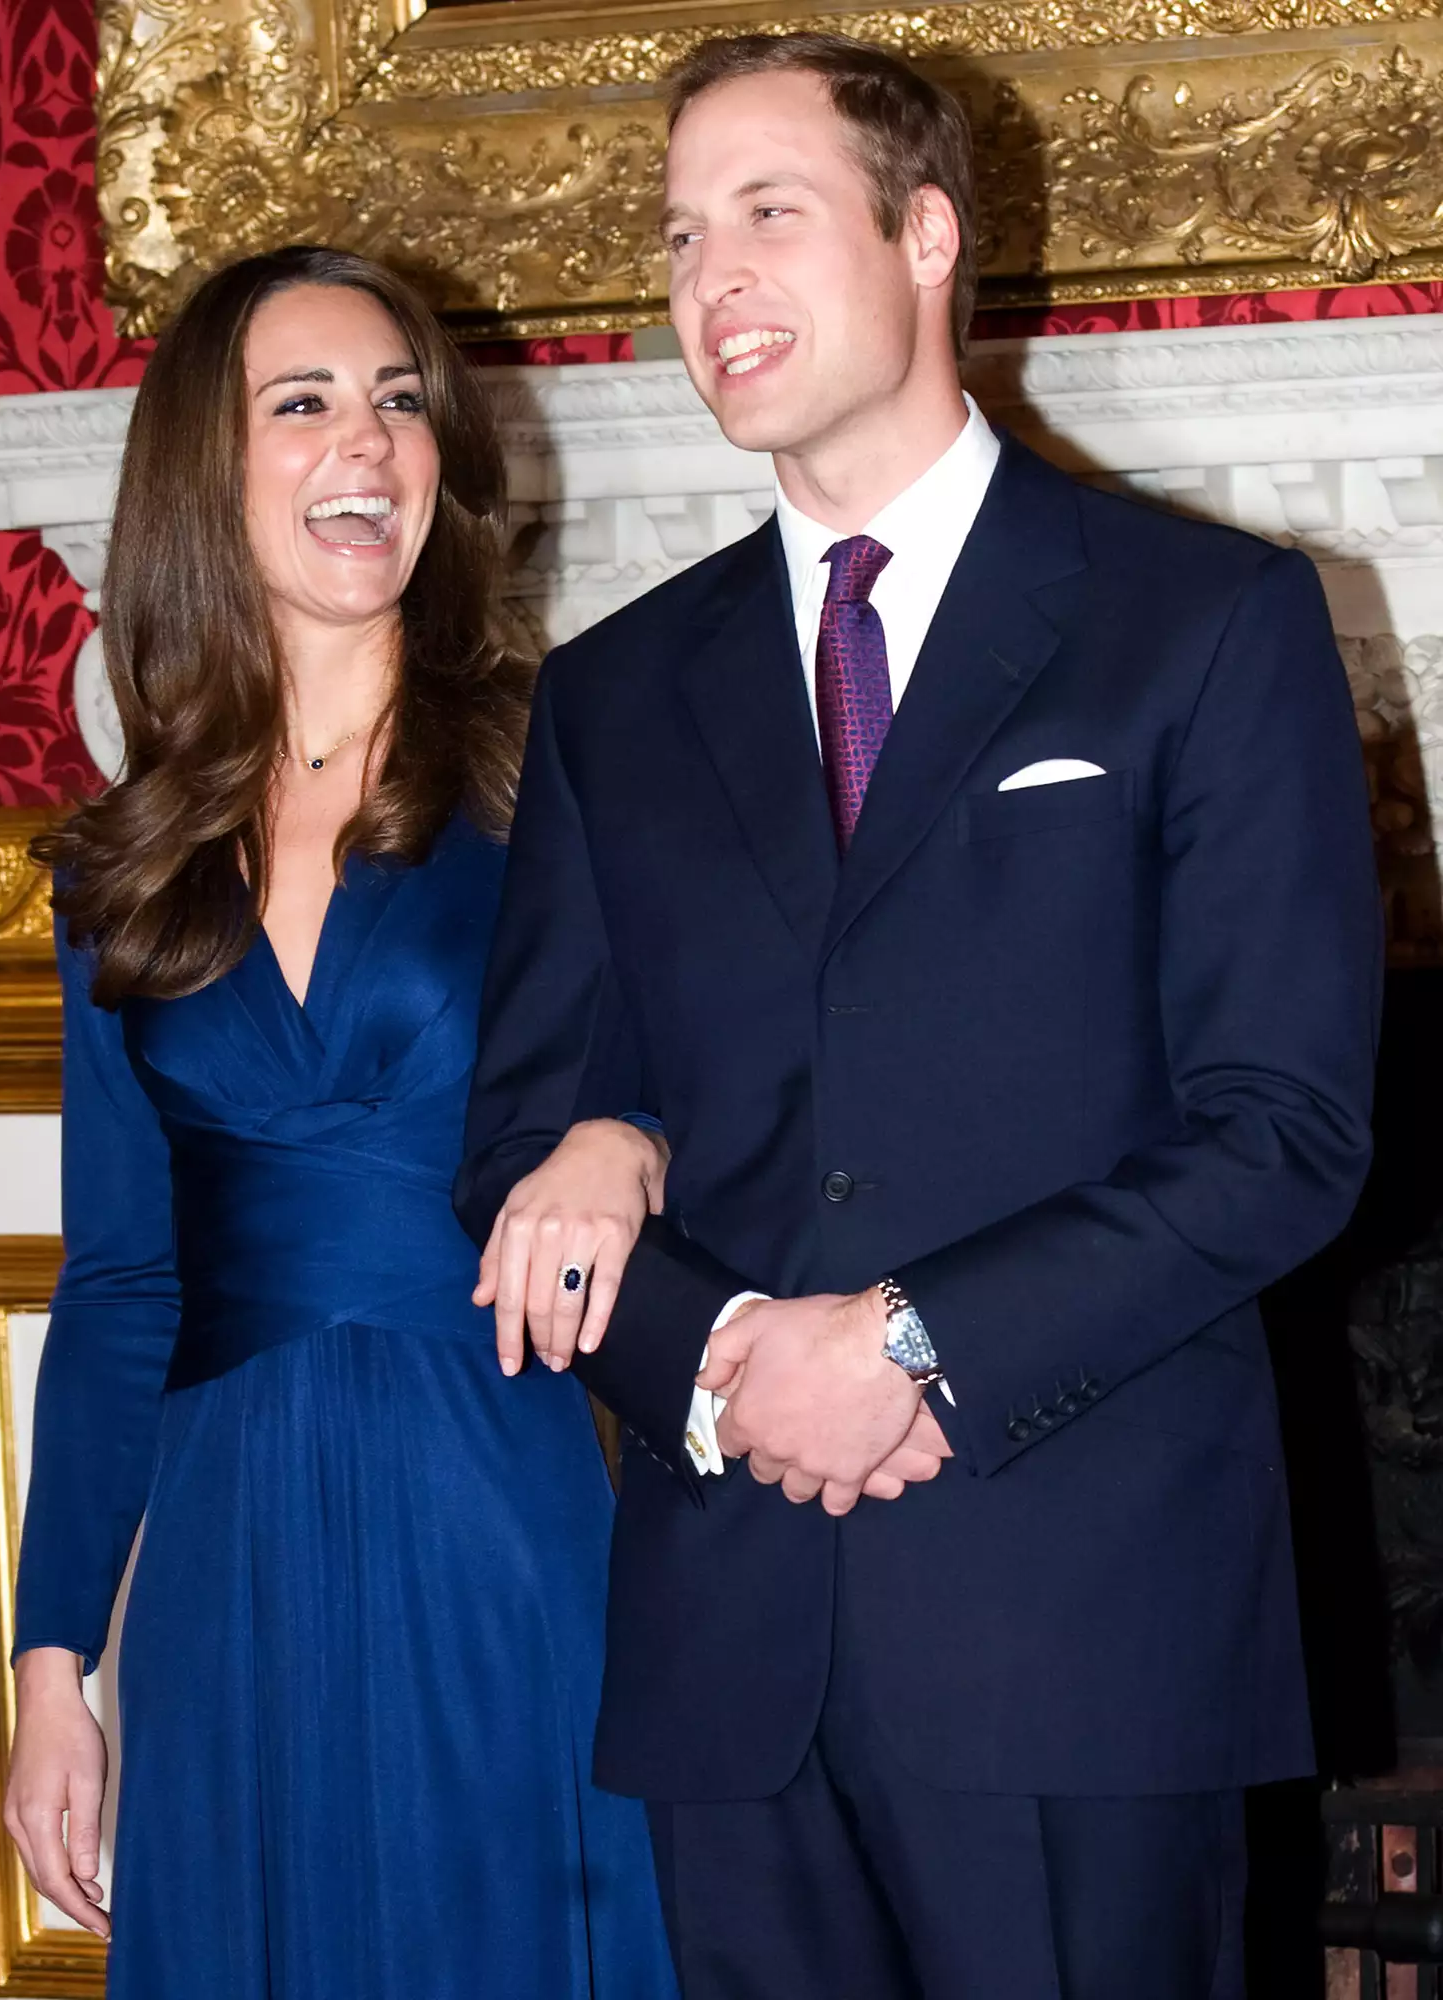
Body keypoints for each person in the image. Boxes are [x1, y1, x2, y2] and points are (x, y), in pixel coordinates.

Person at [456, 33, 1383, 2000]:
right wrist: (722, 1362)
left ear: (931, 232)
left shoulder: (1208, 625)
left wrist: (911, 1345)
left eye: (768, 215)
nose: (710, 281)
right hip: (737, 1665)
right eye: (682, 234)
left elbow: (1283, 1129)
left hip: (1084, 1639)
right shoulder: (613, 699)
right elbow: (528, 1150)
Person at [4, 245, 677, 2000]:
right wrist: (49, 1666)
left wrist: (631, 1139)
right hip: (227, 1558)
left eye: (396, 402)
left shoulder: (562, 766)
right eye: (300, 404)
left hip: (501, 1495)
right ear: (201, 478)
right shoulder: (119, 868)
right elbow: (121, 1282)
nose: (363, 443)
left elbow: (727, 1073)